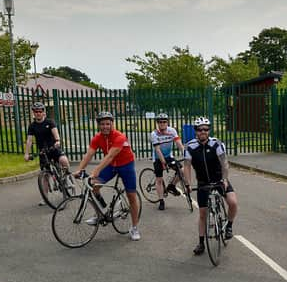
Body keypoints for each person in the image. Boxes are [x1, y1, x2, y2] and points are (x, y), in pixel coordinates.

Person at [74, 111, 141, 241]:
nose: (105, 126)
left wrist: (95, 171)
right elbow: (89, 154)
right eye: (102, 124)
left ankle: (134, 227)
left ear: (112, 124)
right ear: (98, 125)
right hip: (111, 166)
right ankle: (100, 213)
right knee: (93, 186)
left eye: (108, 124)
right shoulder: (97, 137)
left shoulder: (119, 136)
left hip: (126, 165)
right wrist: (79, 169)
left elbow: (110, 156)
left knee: (131, 196)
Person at [183, 117, 238, 256]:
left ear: (209, 131)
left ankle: (229, 226)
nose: (203, 132)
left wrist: (225, 179)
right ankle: (201, 243)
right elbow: (187, 167)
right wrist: (188, 184)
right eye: (200, 129)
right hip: (203, 183)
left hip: (219, 179)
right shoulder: (190, 146)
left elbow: (224, 163)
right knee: (202, 214)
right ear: (195, 131)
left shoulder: (216, 144)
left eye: (206, 129)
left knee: (233, 202)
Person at [24, 102, 71, 205]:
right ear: (33, 113)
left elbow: (55, 133)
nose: (38, 113)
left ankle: (67, 178)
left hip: (54, 148)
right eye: (36, 112)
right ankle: (45, 198)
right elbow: (29, 141)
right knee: (45, 176)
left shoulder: (50, 122)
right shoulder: (32, 126)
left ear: (43, 112)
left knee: (64, 160)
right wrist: (26, 153)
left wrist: (57, 141)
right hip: (43, 152)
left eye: (40, 111)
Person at [150, 113, 185, 211]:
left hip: (169, 156)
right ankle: (161, 201)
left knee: (182, 171)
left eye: (164, 122)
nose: (162, 124)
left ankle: (171, 186)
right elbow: (157, 150)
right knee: (159, 179)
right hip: (158, 158)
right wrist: (163, 163)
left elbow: (179, 144)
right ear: (157, 123)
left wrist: (186, 154)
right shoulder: (154, 134)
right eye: (160, 122)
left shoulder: (172, 131)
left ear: (167, 122)